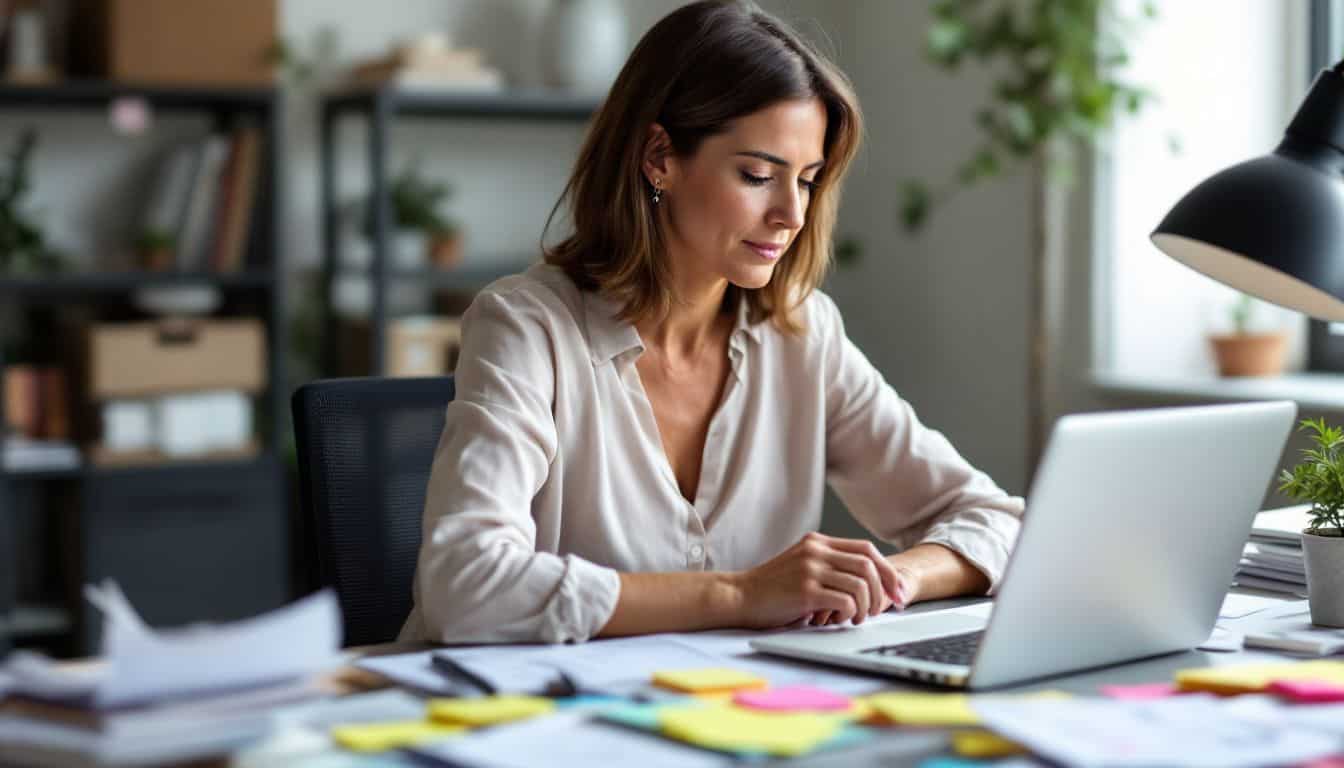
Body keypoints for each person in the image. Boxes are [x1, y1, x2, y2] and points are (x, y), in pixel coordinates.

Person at [400, 0, 1023, 645]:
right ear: (659, 157)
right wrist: (741, 593)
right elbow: (463, 585)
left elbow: (997, 520)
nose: (792, 214)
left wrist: (883, 581)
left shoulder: (803, 335)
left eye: (807, 181)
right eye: (758, 175)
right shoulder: (526, 328)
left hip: (724, 721)